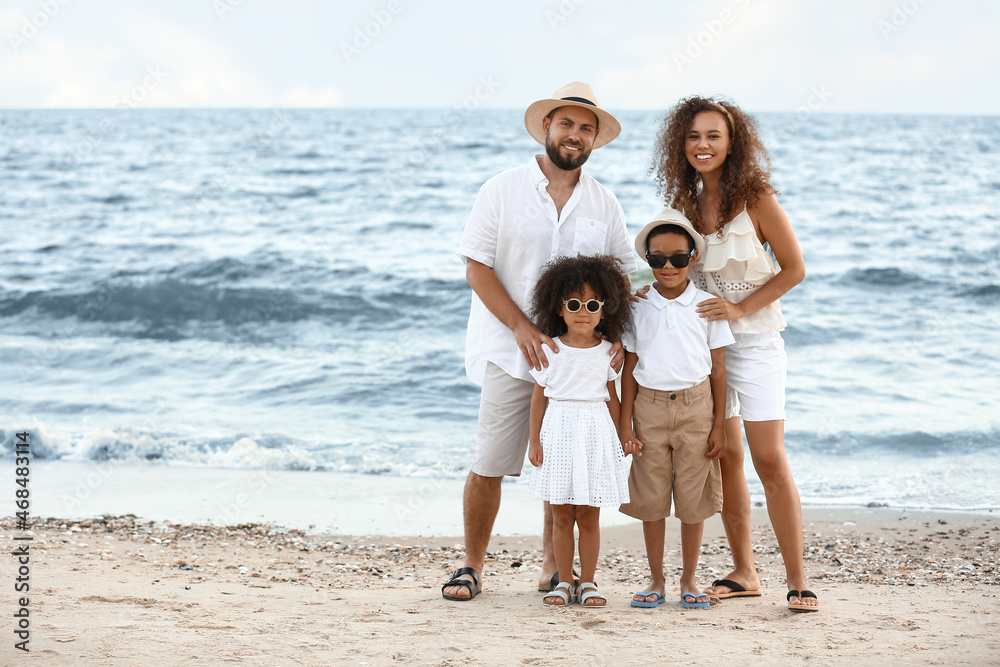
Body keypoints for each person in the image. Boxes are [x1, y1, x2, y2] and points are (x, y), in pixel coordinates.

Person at [442, 82, 637, 601]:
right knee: (491, 461)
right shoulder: (501, 189)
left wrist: (616, 339)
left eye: (586, 128)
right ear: (547, 127)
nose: (574, 135)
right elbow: (477, 268)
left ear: (595, 139)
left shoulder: (604, 202)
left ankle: (555, 568)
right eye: (566, 124)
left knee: (567, 465)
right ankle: (472, 565)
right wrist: (522, 327)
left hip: (578, 361)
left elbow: (618, 279)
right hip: (511, 351)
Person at [648, 96, 816, 612]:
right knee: (729, 458)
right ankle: (745, 571)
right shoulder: (683, 204)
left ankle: (797, 578)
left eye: (713, 136)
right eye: (694, 136)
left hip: (758, 342)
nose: (703, 145)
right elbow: (671, 266)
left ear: (731, 142)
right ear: (682, 143)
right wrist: (640, 291)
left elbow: (794, 269)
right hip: (705, 349)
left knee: (770, 458)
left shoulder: (757, 198)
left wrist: (741, 311)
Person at [618, 209, 733, 609]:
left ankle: (689, 578)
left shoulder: (707, 306)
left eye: (678, 259)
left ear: (692, 259)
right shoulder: (636, 306)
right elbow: (629, 369)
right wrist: (624, 425)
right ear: (647, 260)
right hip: (647, 408)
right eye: (658, 259)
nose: (668, 267)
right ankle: (656, 578)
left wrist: (720, 425)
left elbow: (719, 370)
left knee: (692, 496)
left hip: (696, 406)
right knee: (651, 497)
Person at [525, 255, 633, 607]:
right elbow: (539, 398)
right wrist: (534, 440)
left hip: (594, 433)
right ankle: (563, 581)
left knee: (589, 513)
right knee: (560, 513)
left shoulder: (608, 353)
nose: (582, 311)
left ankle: (588, 582)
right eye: (573, 304)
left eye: (591, 304)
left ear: (604, 310)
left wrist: (622, 437)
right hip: (557, 431)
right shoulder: (549, 350)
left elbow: (613, 399)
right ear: (559, 308)